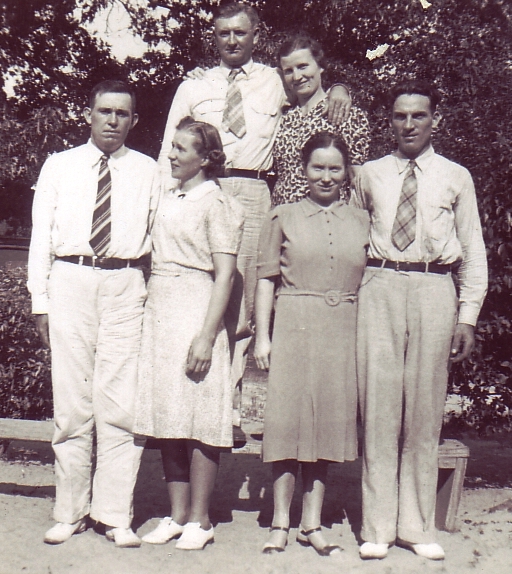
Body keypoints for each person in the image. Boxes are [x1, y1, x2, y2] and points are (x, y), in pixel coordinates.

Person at [158, 2, 352, 426]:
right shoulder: (195, 85)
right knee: (201, 287)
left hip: (252, 189)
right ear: (214, 37)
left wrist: (340, 89)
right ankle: (188, 393)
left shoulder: (273, 81)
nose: (231, 40)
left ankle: (229, 403)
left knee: (243, 298)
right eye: (223, 32)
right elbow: (166, 151)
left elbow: (311, 93)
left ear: (255, 36)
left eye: (240, 33)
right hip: (204, 188)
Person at [352, 79, 488, 561]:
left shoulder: (456, 176)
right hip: (381, 283)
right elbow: (351, 239)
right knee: (379, 406)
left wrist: (467, 315)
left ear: (435, 120)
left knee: (424, 411)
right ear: (389, 121)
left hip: (434, 288)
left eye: (418, 116)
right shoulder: (368, 174)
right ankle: (377, 527)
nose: (408, 124)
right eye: (399, 116)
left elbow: (473, 250)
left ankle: (415, 524)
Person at [27, 80, 161, 547]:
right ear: (89, 114)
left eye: (122, 114)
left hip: (126, 283)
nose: (112, 120)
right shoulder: (59, 166)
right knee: (72, 404)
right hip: (71, 280)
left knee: (120, 404)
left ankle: (113, 513)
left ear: (134, 120)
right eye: (104, 111)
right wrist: (39, 301)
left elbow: (158, 241)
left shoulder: (149, 171)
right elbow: (39, 237)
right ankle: (70, 510)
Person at [254, 132, 370, 555]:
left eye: (334, 168)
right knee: (288, 422)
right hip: (294, 322)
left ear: (346, 172)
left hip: (343, 328)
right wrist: (262, 336)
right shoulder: (282, 215)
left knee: (325, 427)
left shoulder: (361, 219)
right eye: (317, 167)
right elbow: (266, 278)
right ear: (303, 170)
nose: (326, 176)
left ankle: (312, 523)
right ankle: (280, 523)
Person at [134, 118, 244, 551]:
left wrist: (206, 335)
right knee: (169, 415)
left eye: (182, 148)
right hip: (161, 309)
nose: (172, 154)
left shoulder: (217, 203)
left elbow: (226, 275)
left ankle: (201, 519)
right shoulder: (169, 197)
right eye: (172, 146)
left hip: (198, 309)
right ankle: (177, 514)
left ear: (207, 157)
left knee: (199, 416)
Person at [272, 33, 370, 207]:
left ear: (320, 66)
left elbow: (357, 180)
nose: (296, 76)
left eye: (303, 66)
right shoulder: (285, 118)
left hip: (327, 220)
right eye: (289, 71)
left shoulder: (345, 113)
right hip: (284, 218)